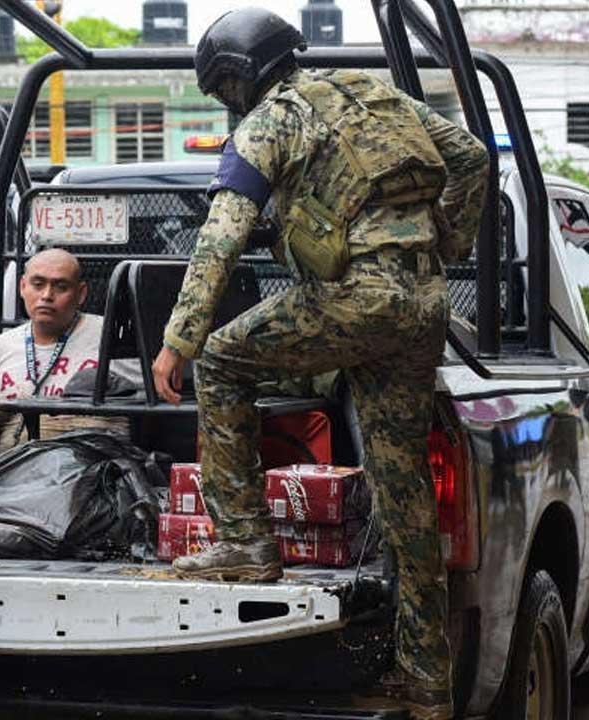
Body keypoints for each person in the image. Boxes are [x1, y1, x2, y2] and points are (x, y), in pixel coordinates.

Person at [150, 9, 488, 720]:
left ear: (236, 78)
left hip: (357, 299)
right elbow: (471, 158)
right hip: (423, 304)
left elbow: (222, 237)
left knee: (223, 359)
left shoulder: (269, 121)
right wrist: (448, 242)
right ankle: (428, 680)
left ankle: (245, 542)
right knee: (403, 487)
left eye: (223, 91)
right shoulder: (374, 94)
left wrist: (179, 338)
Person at [0, 248, 131, 451]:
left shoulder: (112, 337)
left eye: (61, 287)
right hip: (15, 466)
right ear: (22, 287)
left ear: (81, 293)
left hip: (87, 465)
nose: (47, 295)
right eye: (38, 284)